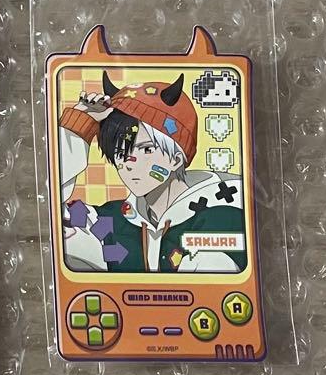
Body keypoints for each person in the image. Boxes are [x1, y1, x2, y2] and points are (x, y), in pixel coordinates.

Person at [59, 71, 247, 272]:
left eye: (146, 149)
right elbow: (56, 215)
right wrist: (79, 122)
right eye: (120, 152)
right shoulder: (110, 222)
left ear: (176, 159)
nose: (129, 163)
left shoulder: (221, 217)